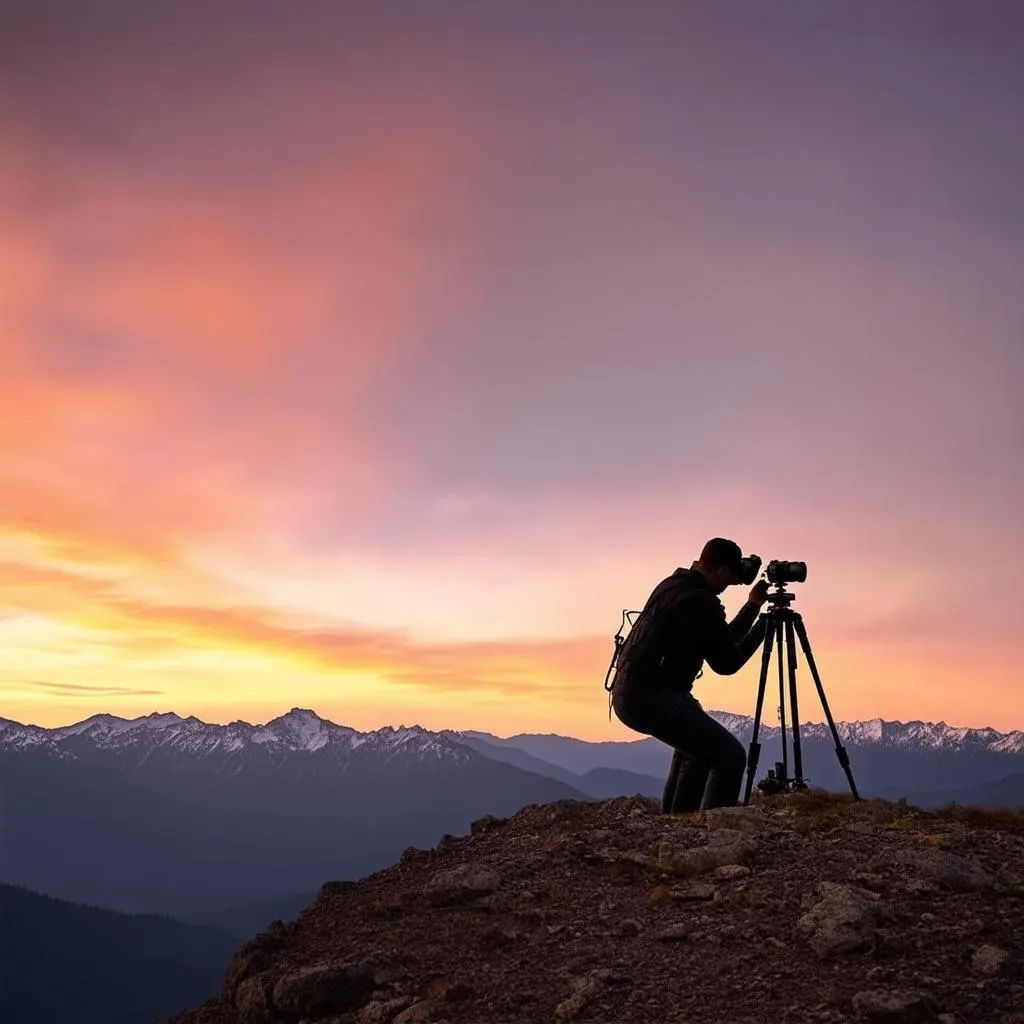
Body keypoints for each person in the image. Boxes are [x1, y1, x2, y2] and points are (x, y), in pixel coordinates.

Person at [611, 537, 770, 812]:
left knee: (697, 751)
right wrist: (763, 623)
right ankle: (715, 837)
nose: (730, 584)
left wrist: (752, 607)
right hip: (650, 697)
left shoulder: (674, 584)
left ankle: (678, 827)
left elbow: (722, 639)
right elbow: (727, 662)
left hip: (629, 692)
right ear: (720, 570)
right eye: (730, 576)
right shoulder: (700, 601)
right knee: (729, 756)